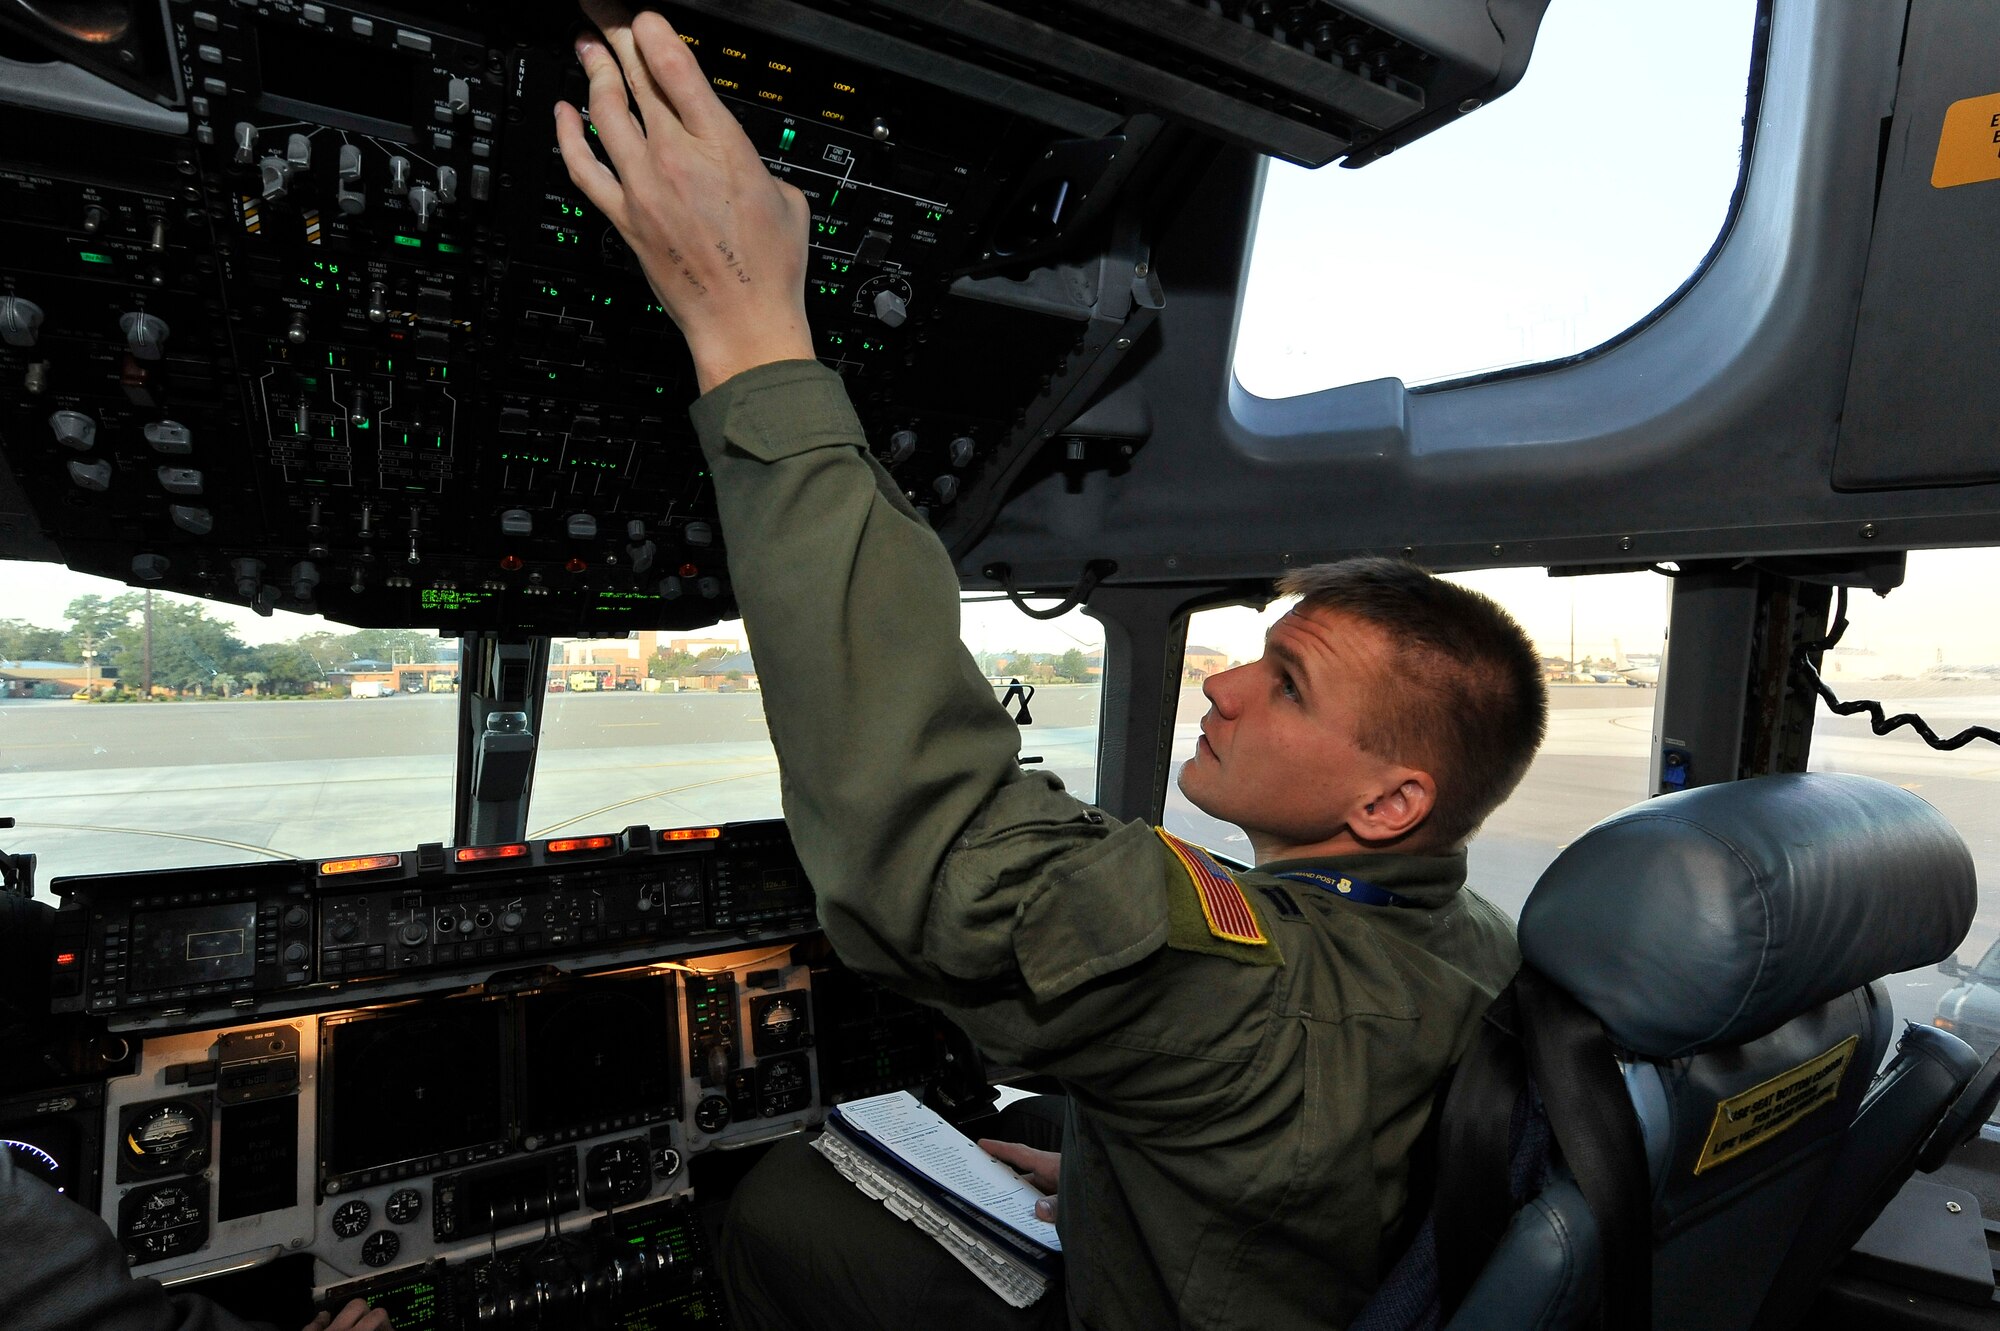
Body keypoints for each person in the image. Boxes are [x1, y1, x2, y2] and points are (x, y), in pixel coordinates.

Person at [555, 7, 1546, 1327]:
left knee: (786, 1203)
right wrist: (1104, 1167)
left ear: (1390, 807)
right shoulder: (1471, 940)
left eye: (1288, 686)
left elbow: (947, 863)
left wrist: (752, 339)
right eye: (1254, 659)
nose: (1221, 687)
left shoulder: (1268, 990)